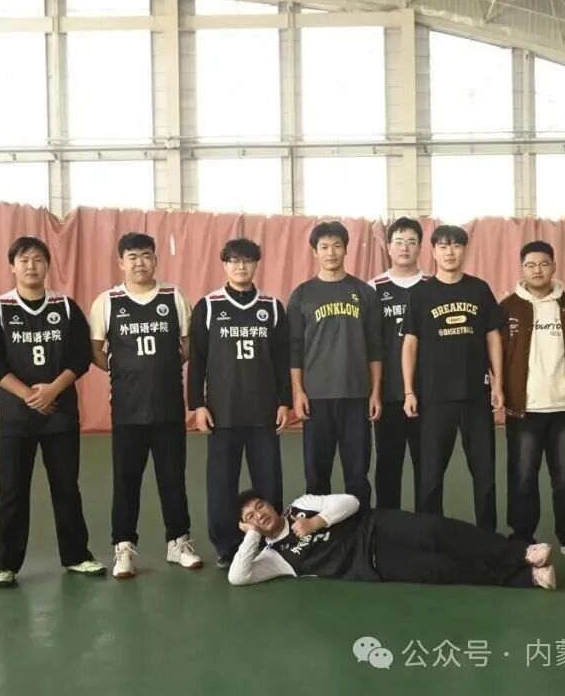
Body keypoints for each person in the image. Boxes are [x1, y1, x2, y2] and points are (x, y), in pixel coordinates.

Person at [0, 236, 105, 588]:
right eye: (24, 260)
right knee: (12, 490)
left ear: (47, 265)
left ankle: (77, 556)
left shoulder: (66, 307)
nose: (31, 266)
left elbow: (80, 356)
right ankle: (4, 565)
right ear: (12, 266)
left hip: (60, 414)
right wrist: (28, 394)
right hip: (16, 418)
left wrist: (52, 390)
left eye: (38, 260)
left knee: (66, 487)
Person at [90, 232, 203, 578]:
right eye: (132, 256)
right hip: (127, 409)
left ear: (155, 259)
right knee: (126, 482)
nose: (140, 262)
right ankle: (123, 547)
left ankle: (178, 542)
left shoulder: (174, 296)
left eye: (146, 255)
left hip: (168, 407)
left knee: (173, 478)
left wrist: (161, 368)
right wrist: (125, 370)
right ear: (121, 262)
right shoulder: (107, 301)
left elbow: (188, 344)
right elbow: (96, 350)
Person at [189, 238, 290, 569]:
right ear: (225, 265)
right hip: (223, 413)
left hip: (263, 411)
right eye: (234, 261)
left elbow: (282, 359)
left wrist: (285, 401)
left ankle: (272, 538)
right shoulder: (209, 306)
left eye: (247, 260)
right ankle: (226, 545)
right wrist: (198, 404)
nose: (241, 266)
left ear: (256, 264)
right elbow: (198, 360)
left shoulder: (272, 307)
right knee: (221, 483)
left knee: (269, 480)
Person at [228, 491, 556, 590]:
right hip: (374, 563)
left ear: (271, 504)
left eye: (260, 507)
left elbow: (350, 502)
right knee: (441, 569)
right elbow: (238, 577)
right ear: (248, 526)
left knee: (438, 531)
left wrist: (316, 522)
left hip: (377, 526)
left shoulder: (301, 505)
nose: (260, 515)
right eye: (251, 517)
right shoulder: (276, 558)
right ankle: (528, 578)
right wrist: (253, 535)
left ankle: (522, 552)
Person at [402, 225, 504, 530]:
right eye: (443, 246)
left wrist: (498, 383)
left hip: (475, 396)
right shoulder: (421, 293)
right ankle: (431, 538)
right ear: (433, 252)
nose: (450, 252)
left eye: (456, 246)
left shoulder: (479, 289)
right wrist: (409, 391)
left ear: (464, 250)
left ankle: (487, 537)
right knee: (430, 475)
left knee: (484, 473)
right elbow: (410, 344)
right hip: (434, 398)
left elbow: (493, 337)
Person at [500, 241, 565, 559]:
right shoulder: (508, 307)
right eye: (530, 265)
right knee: (523, 478)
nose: (537, 270)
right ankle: (522, 537)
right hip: (524, 409)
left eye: (543, 264)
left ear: (554, 266)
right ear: (521, 269)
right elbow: (496, 354)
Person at [287, 221, 382, 507]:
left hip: (356, 395)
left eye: (337, 246)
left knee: (357, 475)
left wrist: (375, 392)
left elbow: (375, 348)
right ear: (315, 252)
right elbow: (295, 348)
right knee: (317, 476)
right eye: (324, 247)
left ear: (346, 249)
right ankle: (320, 531)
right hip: (316, 397)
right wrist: (298, 391)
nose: (331, 253)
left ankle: (361, 530)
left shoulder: (364, 293)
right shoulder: (302, 294)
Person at [367, 217, 429, 510]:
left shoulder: (433, 286)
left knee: (427, 467)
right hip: (388, 393)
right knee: (388, 466)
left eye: (412, 242)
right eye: (399, 242)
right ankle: (388, 527)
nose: (405, 248)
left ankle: (427, 528)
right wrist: (373, 391)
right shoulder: (373, 288)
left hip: (428, 394)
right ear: (389, 247)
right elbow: (369, 343)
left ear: (420, 247)